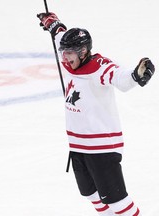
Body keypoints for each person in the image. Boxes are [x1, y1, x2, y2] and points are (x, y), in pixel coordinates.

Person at [37, 12, 155, 215]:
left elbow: (121, 78)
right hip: (78, 146)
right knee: (91, 194)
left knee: (118, 202)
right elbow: (59, 35)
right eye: (63, 52)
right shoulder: (71, 60)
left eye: (69, 53)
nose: (64, 57)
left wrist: (137, 75)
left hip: (101, 148)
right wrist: (54, 24)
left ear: (83, 52)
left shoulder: (100, 67)